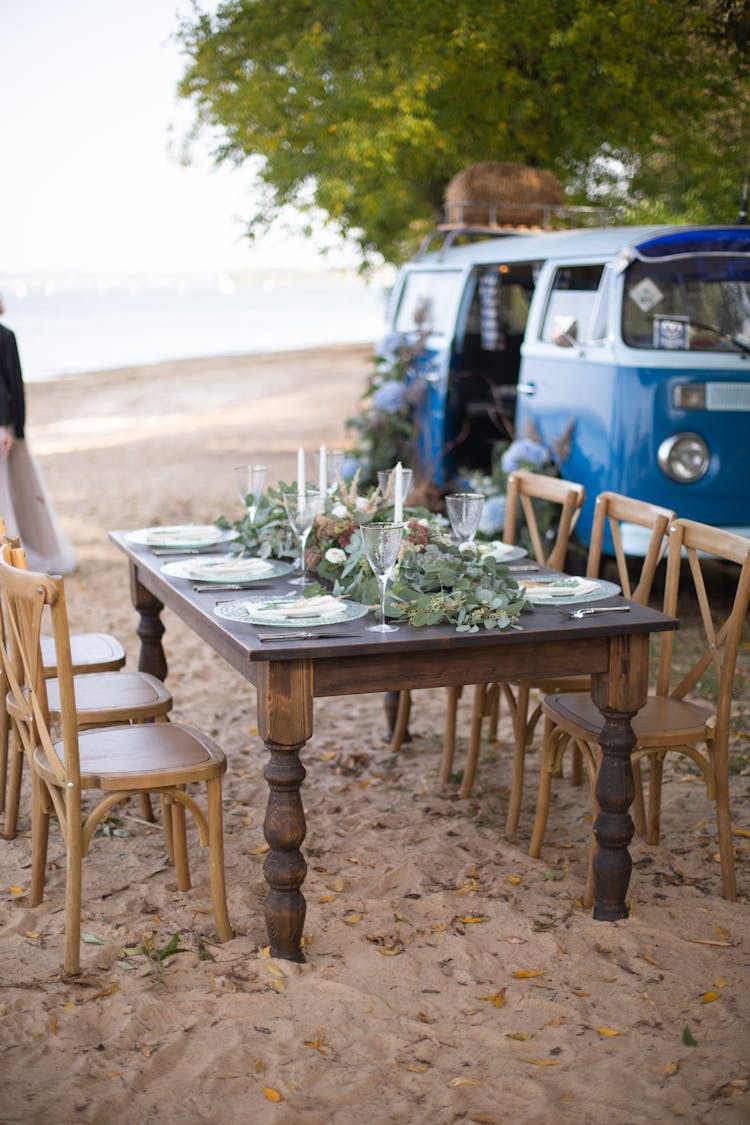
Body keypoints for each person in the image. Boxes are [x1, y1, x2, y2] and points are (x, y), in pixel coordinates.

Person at [0, 294, 75, 573]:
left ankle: (12, 561)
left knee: (11, 496)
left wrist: (14, 430)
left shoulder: (5, 336)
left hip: (4, 428)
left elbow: (12, 387)